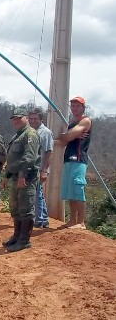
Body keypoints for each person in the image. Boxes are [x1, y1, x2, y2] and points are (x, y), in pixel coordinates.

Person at [1, 108, 41, 252]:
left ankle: (24, 240)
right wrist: (7, 176)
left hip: (26, 178)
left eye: (19, 118)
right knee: (15, 207)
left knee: (26, 208)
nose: (16, 121)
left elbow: (29, 157)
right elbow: (13, 159)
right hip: (16, 177)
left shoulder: (30, 134)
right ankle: (17, 236)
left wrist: (23, 175)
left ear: (26, 118)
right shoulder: (18, 135)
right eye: (14, 119)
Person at [57, 96, 92, 230]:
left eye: (77, 106)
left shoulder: (86, 121)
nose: (74, 108)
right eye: (72, 105)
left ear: (83, 107)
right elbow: (62, 140)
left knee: (78, 188)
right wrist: (71, 135)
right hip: (68, 159)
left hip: (79, 159)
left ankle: (81, 222)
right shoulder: (72, 123)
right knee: (69, 191)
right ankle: (72, 220)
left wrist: (69, 135)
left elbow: (66, 137)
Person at [28, 107, 54, 228]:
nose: (33, 121)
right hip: (31, 168)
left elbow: (49, 152)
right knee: (37, 193)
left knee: (36, 193)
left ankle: (40, 220)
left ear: (41, 119)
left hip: (40, 168)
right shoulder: (29, 131)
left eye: (35, 118)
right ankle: (42, 219)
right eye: (31, 118)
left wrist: (44, 170)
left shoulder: (46, 132)